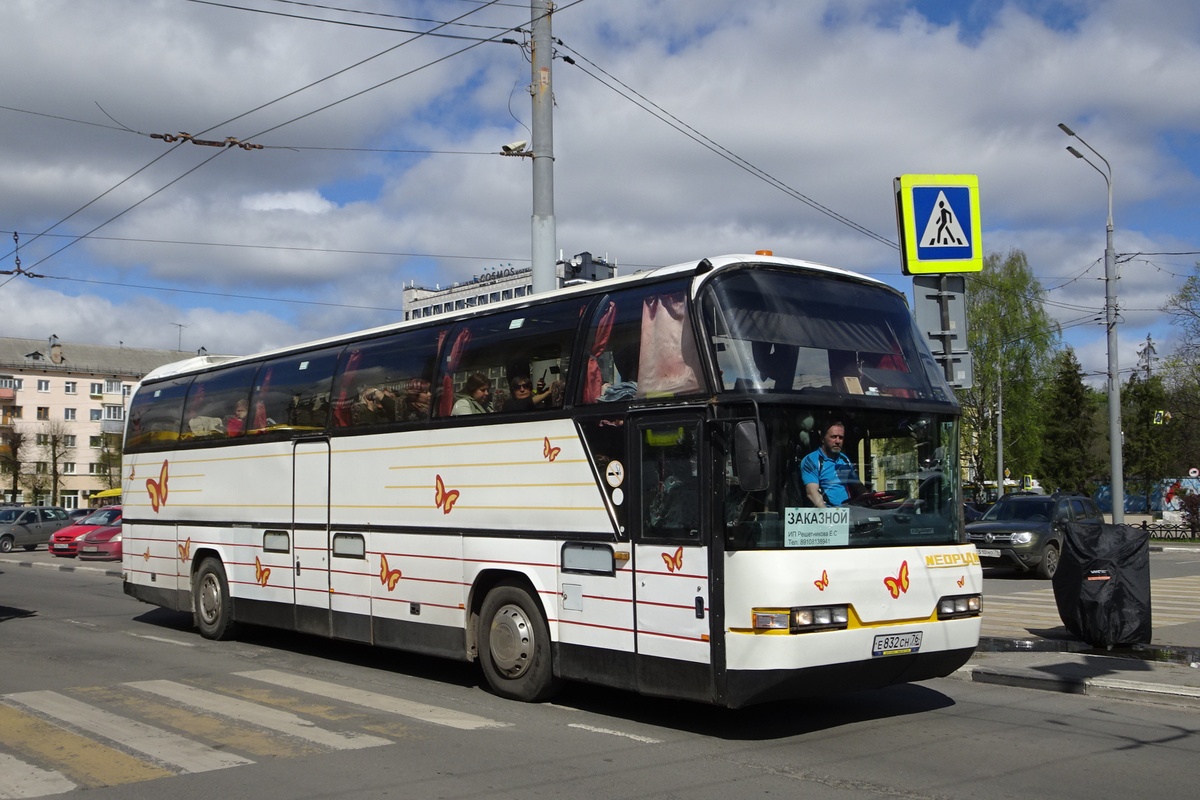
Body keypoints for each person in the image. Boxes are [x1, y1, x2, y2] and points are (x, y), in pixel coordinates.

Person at [800, 422, 863, 508]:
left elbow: (857, 485)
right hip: (827, 513)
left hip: (847, 512)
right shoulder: (811, 460)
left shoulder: (844, 459)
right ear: (822, 438)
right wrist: (829, 516)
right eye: (833, 437)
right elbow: (811, 493)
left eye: (841, 438)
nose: (837, 441)